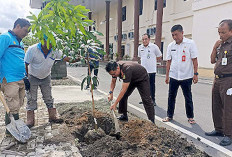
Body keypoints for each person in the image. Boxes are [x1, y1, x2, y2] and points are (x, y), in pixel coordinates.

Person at [24, 35, 77, 128]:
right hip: (33, 76)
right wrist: (26, 78)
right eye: (49, 42)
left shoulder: (55, 50)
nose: (51, 44)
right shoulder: (32, 49)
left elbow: (67, 59)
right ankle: (30, 120)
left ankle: (52, 116)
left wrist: (78, 58)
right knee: (31, 98)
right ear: (43, 40)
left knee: (48, 97)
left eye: (53, 42)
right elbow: (25, 64)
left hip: (46, 77)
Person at [162, 24, 198, 124]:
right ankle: (169, 115)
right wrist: (167, 76)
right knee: (171, 96)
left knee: (188, 97)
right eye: (172, 35)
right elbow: (168, 61)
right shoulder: (171, 46)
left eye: (176, 34)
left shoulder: (190, 43)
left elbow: (194, 59)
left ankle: (190, 117)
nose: (174, 37)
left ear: (182, 33)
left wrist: (195, 74)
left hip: (186, 76)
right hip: (174, 76)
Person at [0, 18, 30, 136]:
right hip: (9, 78)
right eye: (25, 31)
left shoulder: (20, 42)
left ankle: (11, 128)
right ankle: (11, 129)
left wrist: (25, 77)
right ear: (18, 26)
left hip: (20, 78)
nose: (26, 34)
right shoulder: (5, 37)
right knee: (12, 104)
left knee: (18, 104)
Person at [205, 19, 232, 146]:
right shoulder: (220, 44)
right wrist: (215, 47)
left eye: (223, 32)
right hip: (217, 79)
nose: (220, 35)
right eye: (219, 32)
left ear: (231, 31)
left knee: (228, 108)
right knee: (216, 105)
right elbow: (212, 60)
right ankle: (219, 129)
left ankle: (229, 134)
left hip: (229, 80)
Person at [138, 33, 162, 106]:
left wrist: (152, 61)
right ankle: (144, 99)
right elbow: (140, 58)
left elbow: (159, 56)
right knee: (143, 86)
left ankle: (152, 100)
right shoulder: (140, 47)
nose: (144, 41)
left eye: (146, 39)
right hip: (143, 71)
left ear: (149, 39)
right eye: (143, 39)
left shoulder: (154, 47)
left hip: (151, 70)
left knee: (151, 86)